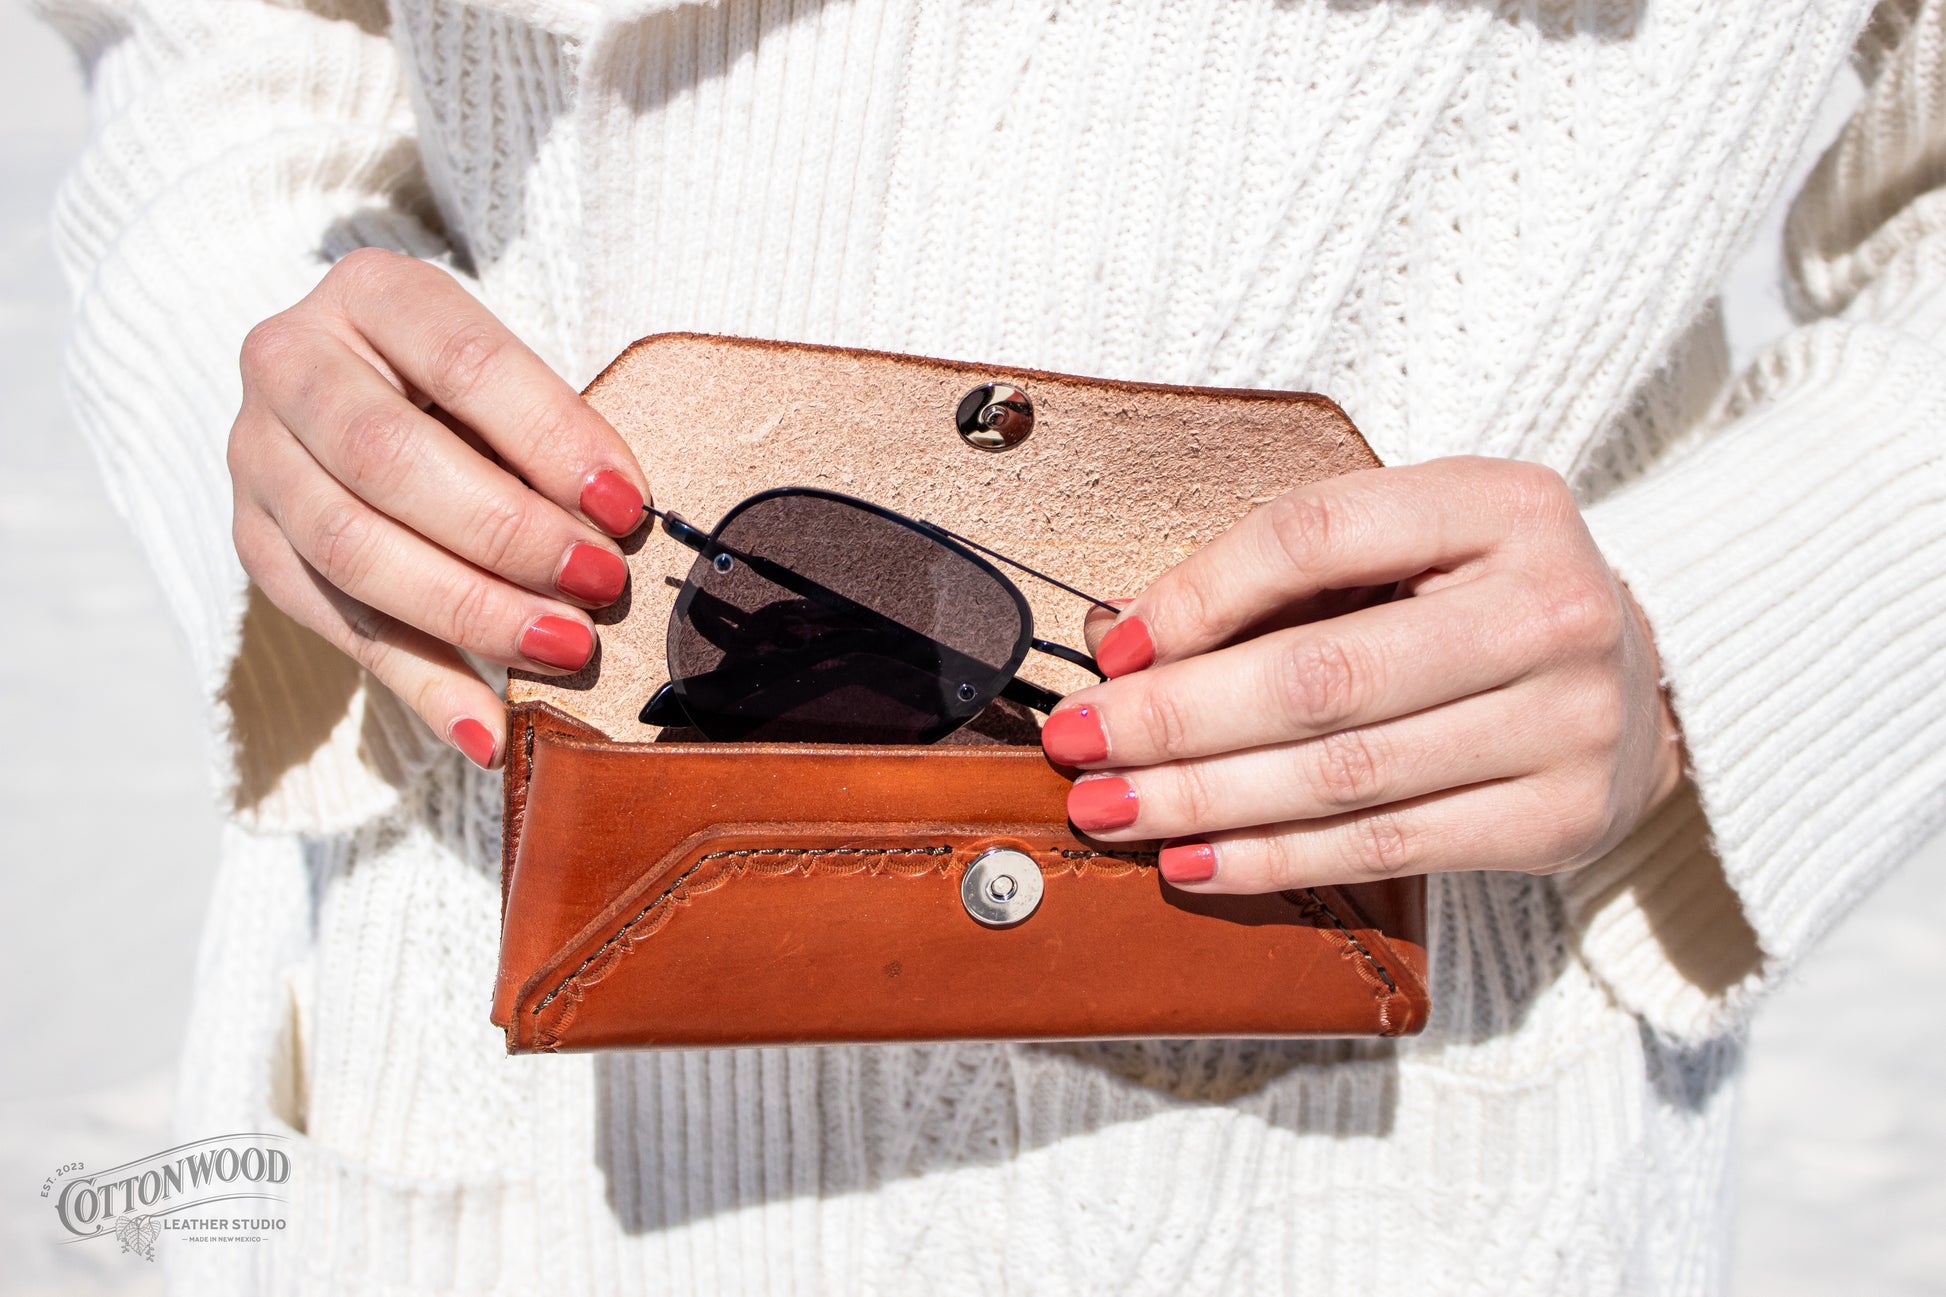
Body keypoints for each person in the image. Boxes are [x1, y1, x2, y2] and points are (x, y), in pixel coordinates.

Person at [30, 0, 1946, 1289]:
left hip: (1392, 1148)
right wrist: (274, 349)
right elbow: (225, 42)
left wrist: (1711, 631)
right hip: (479, 1036)